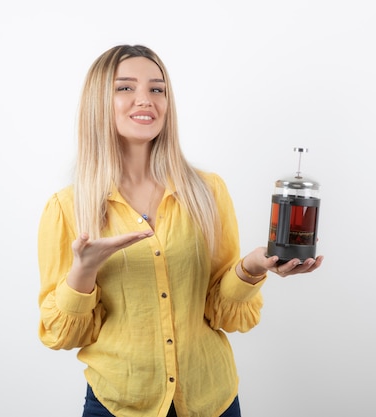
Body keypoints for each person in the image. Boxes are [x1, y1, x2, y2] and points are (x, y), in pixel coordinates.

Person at [37, 44, 324, 417]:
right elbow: (62, 334)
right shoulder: (66, 208)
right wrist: (83, 271)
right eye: (125, 88)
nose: (146, 100)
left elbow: (221, 311)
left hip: (211, 399)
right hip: (119, 402)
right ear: (98, 103)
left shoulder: (207, 191)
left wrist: (251, 268)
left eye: (157, 89)